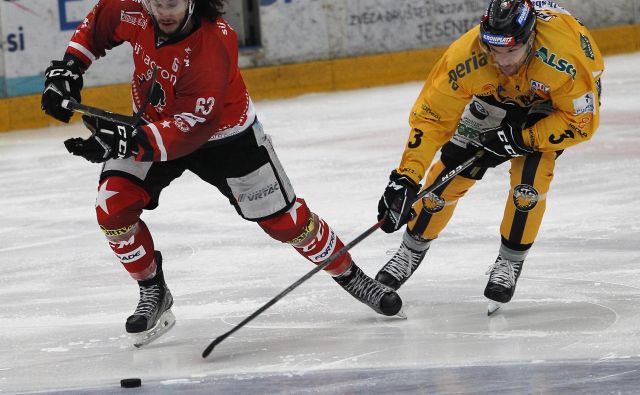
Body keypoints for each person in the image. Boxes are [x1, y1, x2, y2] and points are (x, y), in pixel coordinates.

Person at [41, 0, 402, 346]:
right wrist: (68, 69)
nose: (165, 12)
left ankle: (352, 276)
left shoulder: (214, 40)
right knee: (113, 206)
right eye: (158, 3)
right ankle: (153, 289)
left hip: (226, 137)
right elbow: (99, 24)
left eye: (174, 4)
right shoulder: (134, 10)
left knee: (286, 222)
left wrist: (126, 142)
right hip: (152, 128)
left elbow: (195, 126)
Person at [376, 0, 603, 314]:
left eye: (510, 52)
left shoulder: (563, 59)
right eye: (493, 50)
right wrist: (406, 177)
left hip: (549, 106)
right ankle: (410, 251)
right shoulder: (466, 56)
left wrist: (520, 139)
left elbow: (582, 122)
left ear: (530, 39)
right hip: (493, 98)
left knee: (529, 185)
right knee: (448, 174)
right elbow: (431, 118)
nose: (501, 60)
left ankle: (510, 262)